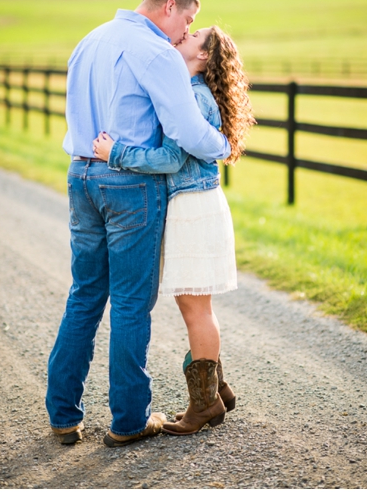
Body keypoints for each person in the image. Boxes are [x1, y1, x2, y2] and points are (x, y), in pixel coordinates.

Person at [46, 0, 231, 448]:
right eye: (187, 20)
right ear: (170, 6)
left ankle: (63, 416)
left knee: (85, 294)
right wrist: (224, 145)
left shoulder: (89, 41)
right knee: (130, 302)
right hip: (129, 185)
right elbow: (188, 130)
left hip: (79, 175)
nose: (185, 31)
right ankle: (130, 420)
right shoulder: (157, 53)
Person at [93, 25, 254, 435]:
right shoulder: (190, 90)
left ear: (204, 56)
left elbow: (169, 159)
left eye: (195, 35)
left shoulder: (194, 96)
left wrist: (118, 154)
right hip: (191, 204)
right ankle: (218, 391)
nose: (185, 35)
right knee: (193, 305)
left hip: (195, 206)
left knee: (195, 307)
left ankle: (204, 405)